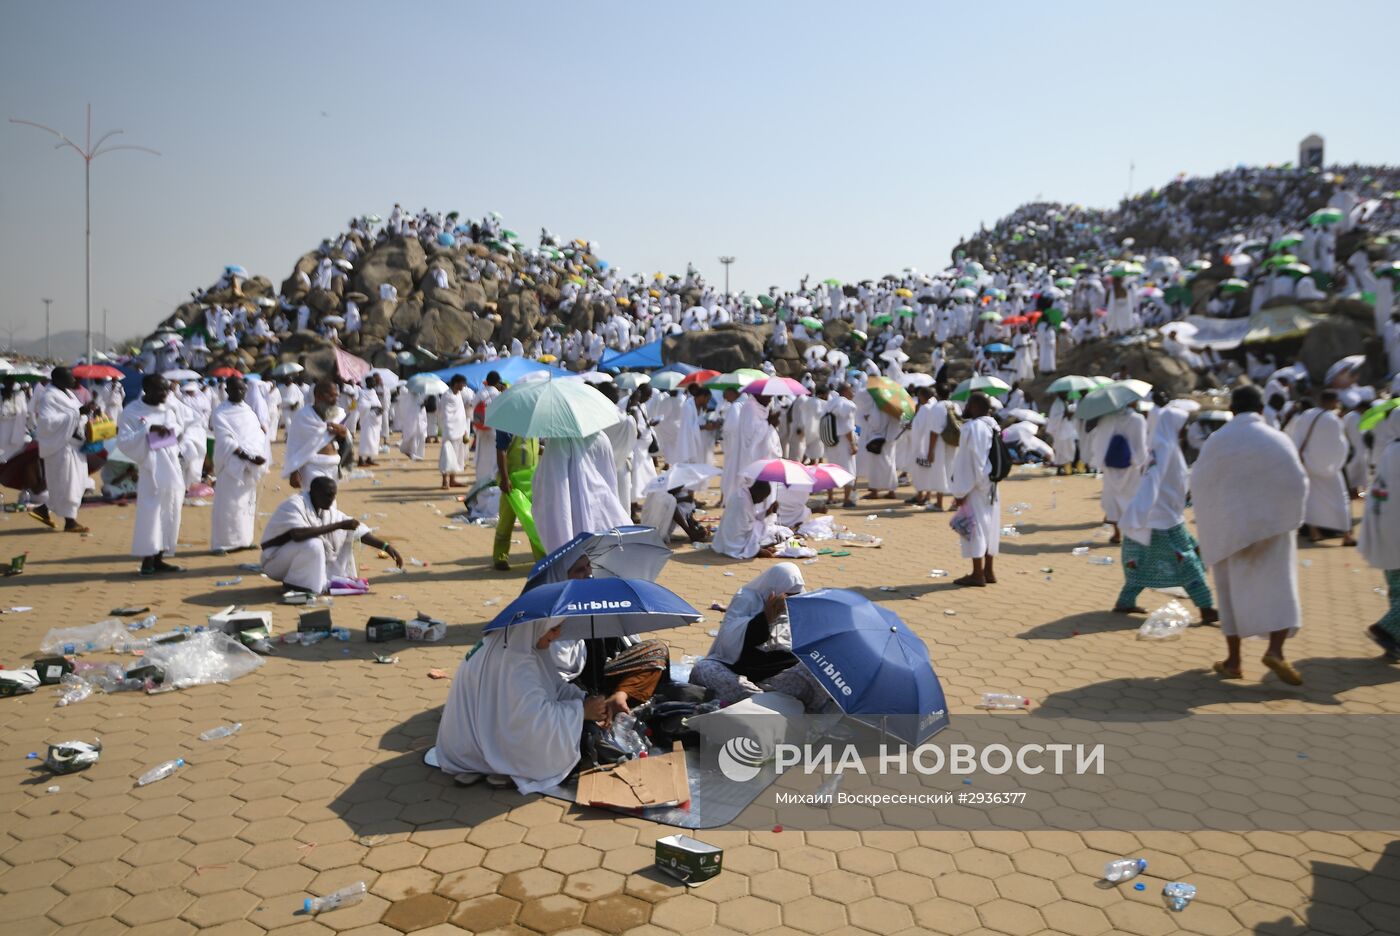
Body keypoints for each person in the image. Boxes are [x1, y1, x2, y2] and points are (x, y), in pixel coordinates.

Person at [1191, 385, 1307, 685]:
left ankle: (1233, 661)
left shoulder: (1217, 441)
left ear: (1232, 409)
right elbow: (1298, 481)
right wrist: (1284, 517)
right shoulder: (1276, 438)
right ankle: (1276, 651)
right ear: (1261, 408)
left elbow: (1200, 483)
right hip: (1271, 526)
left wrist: (1215, 522)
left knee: (1229, 596)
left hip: (1229, 528)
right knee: (1278, 589)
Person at [434, 616, 614, 792]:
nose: (558, 634)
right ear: (537, 627)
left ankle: (490, 762)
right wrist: (582, 711)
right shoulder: (517, 661)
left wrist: (586, 700)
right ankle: (503, 765)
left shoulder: (513, 643)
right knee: (581, 740)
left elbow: (555, 687)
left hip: (462, 746)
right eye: (553, 628)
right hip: (478, 746)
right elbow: (534, 721)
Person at [1113, 405, 1218, 623]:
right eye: (1183, 425)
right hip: (1161, 520)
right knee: (1188, 563)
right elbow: (1151, 479)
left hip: (1165, 516)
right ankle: (1206, 608)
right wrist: (1140, 511)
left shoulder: (1167, 446)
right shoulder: (1163, 447)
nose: (1186, 429)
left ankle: (1125, 602)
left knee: (1142, 562)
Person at [688, 564, 826, 707]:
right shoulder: (746, 599)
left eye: (794, 595)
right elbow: (729, 643)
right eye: (786, 595)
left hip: (778, 678)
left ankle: (765, 701)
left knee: (818, 670)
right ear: (773, 590)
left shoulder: (800, 604)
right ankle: (766, 701)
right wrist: (765, 619)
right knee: (704, 668)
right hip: (741, 672)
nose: (790, 599)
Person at [261, 476, 402, 594]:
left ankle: (306, 584)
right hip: (274, 561)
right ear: (314, 492)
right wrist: (339, 526)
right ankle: (295, 585)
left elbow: (355, 530)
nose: (331, 499)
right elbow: (298, 534)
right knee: (314, 544)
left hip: (293, 560)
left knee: (335, 538)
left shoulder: (327, 512)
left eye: (334, 495)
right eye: (328, 495)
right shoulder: (294, 504)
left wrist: (385, 546)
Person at [117, 375, 186, 576]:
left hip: (171, 466)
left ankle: (160, 559)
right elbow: (125, 442)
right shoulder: (131, 411)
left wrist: (169, 432)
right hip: (150, 471)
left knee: (170, 513)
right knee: (151, 515)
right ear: (147, 389)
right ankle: (147, 560)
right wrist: (148, 431)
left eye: (166, 390)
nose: (164, 394)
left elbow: (179, 429)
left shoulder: (169, 407)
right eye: (160, 390)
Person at [532, 431, 631, 554]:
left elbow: (550, 487)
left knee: (576, 563)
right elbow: (610, 480)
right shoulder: (602, 438)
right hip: (603, 512)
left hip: (572, 517)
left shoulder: (558, 442)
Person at [210, 377, 270, 553]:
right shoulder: (220, 412)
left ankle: (244, 540)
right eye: (235, 390)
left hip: (249, 467)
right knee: (227, 505)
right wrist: (248, 456)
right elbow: (225, 440)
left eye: (243, 390)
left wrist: (257, 455)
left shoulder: (248, 411)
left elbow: (257, 435)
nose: (239, 393)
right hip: (231, 464)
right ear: (227, 390)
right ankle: (222, 543)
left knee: (246, 504)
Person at [1286, 390, 1354, 545]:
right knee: (1340, 499)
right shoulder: (1333, 419)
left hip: (1308, 464)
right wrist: (1335, 464)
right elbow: (1340, 445)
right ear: (1333, 401)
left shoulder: (1306, 415)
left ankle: (1314, 533)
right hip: (1330, 468)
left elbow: (1297, 438)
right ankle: (1346, 536)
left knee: (1311, 499)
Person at [948, 392, 1000, 587]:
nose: (966, 408)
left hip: (975, 486)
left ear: (976, 407)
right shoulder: (992, 424)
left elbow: (968, 463)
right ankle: (989, 570)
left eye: (969, 404)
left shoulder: (972, 428)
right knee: (990, 525)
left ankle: (977, 574)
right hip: (991, 483)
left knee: (975, 527)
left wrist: (960, 492)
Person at [31, 366, 92, 533]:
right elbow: (47, 423)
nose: (74, 380)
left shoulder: (69, 393)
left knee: (73, 483)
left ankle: (43, 509)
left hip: (75, 445)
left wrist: (88, 411)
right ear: (57, 380)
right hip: (61, 446)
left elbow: (78, 413)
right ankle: (70, 521)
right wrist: (77, 413)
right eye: (70, 378)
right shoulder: (49, 397)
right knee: (68, 483)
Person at [1358, 430, 1400, 662]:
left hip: (1387, 529)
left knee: (1396, 587)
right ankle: (1385, 629)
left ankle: (1393, 642)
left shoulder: (1390, 450)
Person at [1093, 403, 1148, 544]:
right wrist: (1140, 462)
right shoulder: (1138, 419)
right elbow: (1141, 445)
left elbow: (1100, 440)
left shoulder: (1107, 419)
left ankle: (1117, 534)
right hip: (1131, 467)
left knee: (1113, 499)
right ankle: (1131, 534)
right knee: (1131, 499)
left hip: (1111, 465)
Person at [493, 427, 543, 571]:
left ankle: (542, 559)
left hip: (532, 480)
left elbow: (533, 447)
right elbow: (501, 450)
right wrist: (504, 478)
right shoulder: (507, 423)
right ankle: (500, 557)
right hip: (512, 483)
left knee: (533, 521)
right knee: (506, 521)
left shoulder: (534, 422)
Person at [283, 379, 346, 488]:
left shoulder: (339, 414)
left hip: (333, 466)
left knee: (330, 501)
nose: (335, 400)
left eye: (337, 396)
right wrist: (293, 471)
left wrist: (342, 432)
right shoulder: (303, 416)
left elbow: (345, 441)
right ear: (318, 396)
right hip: (312, 466)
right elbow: (293, 444)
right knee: (314, 500)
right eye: (331, 396)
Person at [712, 479, 782, 560]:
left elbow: (751, 518)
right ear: (757, 493)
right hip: (734, 543)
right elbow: (746, 528)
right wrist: (756, 550)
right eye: (762, 498)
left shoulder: (742, 493)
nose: (761, 501)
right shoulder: (743, 501)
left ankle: (755, 548)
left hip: (725, 539)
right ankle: (753, 550)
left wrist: (768, 511)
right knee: (760, 527)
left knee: (762, 527)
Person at [908, 386, 951, 509]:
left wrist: (929, 449)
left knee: (926, 472)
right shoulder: (949, 406)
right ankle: (927, 495)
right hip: (946, 444)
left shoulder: (928, 408)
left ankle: (924, 496)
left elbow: (923, 429)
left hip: (927, 444)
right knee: (938, 472)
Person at [820, 383, 858, 507]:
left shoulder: (830, 404)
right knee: (848, 469)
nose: (853, 392)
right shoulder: (846, 405)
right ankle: (846, 499)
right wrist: (852, 444)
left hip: (831, 441)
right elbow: (848, 428)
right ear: (845, 391)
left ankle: (830, 497)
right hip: (843, 442)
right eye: (851, 390)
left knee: (831, 469)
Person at [438, 374, 473, 488]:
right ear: (456, 383)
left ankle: (453, 480)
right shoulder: (446, 395)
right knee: (447, 455)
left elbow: (461, 413)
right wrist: (448, 430)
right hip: (449, 430)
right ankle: (445, 481)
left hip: (460, 429)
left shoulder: (458, 395)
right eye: (462, 383)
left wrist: (464, 430)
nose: (463, 386)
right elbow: (446, 414)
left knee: (457, 456)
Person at [355, 374, 384, 467]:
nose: (373, 383)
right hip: (367, 419)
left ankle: (369, 458)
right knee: (365, 439)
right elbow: (361, 405)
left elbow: (377, 403)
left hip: (375, 419)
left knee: (374, 439)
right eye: (371, 381)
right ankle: (360, 459)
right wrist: (372, 406)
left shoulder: (374, 392)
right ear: (367, 382)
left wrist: (379, 408)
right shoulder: (362, 392)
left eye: (374, 382)